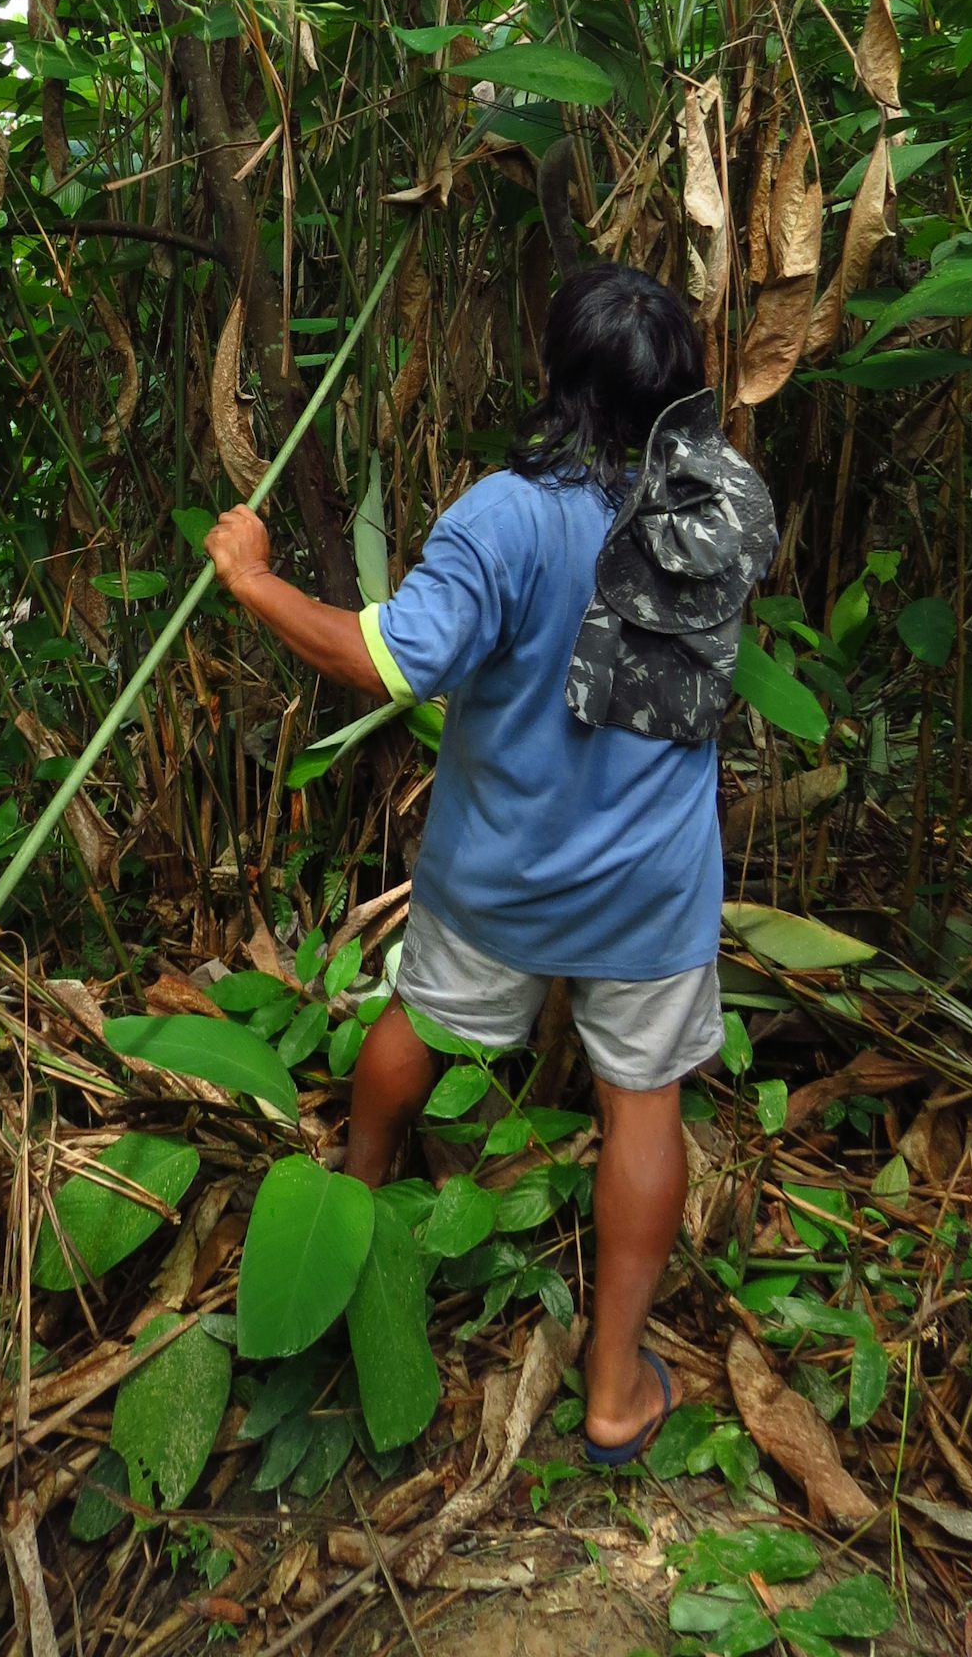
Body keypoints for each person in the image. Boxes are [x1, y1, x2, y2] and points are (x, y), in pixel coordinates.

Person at [204, 263, 775, 1466]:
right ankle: (614, 1393)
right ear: (679, 386)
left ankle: (358, 1194)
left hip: (502, 873)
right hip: (650, 887)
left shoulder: (506, 516)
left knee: (417, 1018)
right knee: (646, 1104)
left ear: (552, 375)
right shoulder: (728, 506)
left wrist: (252, 577)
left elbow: (388, 662)